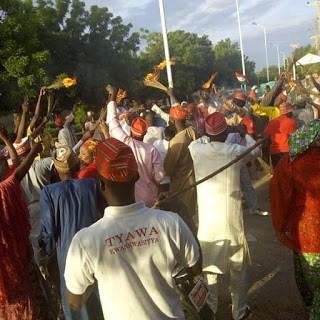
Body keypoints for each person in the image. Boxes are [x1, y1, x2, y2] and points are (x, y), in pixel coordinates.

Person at [64, 138, 201, 320]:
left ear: (99, 184)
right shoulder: (170, 222)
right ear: (136, 177)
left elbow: (75, 302)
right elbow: (196, 267)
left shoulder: (86, 241)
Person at [189, 112, 260, 320]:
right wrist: (243, 133)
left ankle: (210, 308)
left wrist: (208, 132)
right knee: (238, 267)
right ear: (227, 131)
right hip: (231, 222)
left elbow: (199, 140)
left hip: (208, 221)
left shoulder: (196, 150)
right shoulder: (234, 150)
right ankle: (238, 312)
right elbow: (255, 153)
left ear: (207, 133)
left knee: (209, 268)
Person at [40, 146, 103, 320]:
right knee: (98, 301)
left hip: (66, 256)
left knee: (75, 305)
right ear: (76, 165)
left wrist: (45, 255)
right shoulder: (91, 185)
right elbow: (104, 215)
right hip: (95, 252)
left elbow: (48, 233)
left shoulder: (48, 193)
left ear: (56, 169)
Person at [270, 119, 320, 320]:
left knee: (308, 280)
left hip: (303, 235)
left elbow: (279, 198)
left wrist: (281, 226)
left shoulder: (289, 162)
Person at [0, 140, 54, 320]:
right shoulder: (4, 192)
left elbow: (16, 168)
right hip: (20, 273)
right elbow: (17, 173)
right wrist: (36, 150)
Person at [106, 86, 164, 207]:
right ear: (145, 133)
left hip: (131, 201)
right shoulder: (152, 150)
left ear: (131, 130)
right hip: (151, 199)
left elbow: (111, 120)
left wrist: (112, 96)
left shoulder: (124, 141)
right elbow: (160, 177)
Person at [164, 102, 197, 229]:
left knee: (183, 221)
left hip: (181, 186)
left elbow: (168, 169)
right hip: (193, 181)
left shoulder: (176, 142)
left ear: (172, 120)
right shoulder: (192, 131)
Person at [264, 102, 297, 168]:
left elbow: (266, 135)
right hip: (286, 151)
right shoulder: (291, 122)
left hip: (274, 152)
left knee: (278, 172)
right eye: (291, 112)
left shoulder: (273, 122)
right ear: (288, 112)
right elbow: (294, 138)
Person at [153, 126, 176, 191]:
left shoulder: (156, 143)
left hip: (157, 179)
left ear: (164, 133)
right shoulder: (175, 147)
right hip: (169, 181)